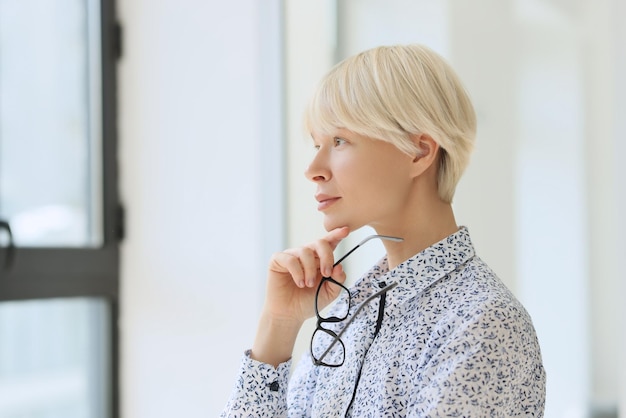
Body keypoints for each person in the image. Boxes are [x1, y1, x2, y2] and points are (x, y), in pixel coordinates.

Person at [221, 44, 546, 417]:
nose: (313, 168)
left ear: (419, 152)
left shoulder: (483, 325)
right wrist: (278, 326)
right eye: (316, 144)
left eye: (338, 141)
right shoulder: (347, 314)